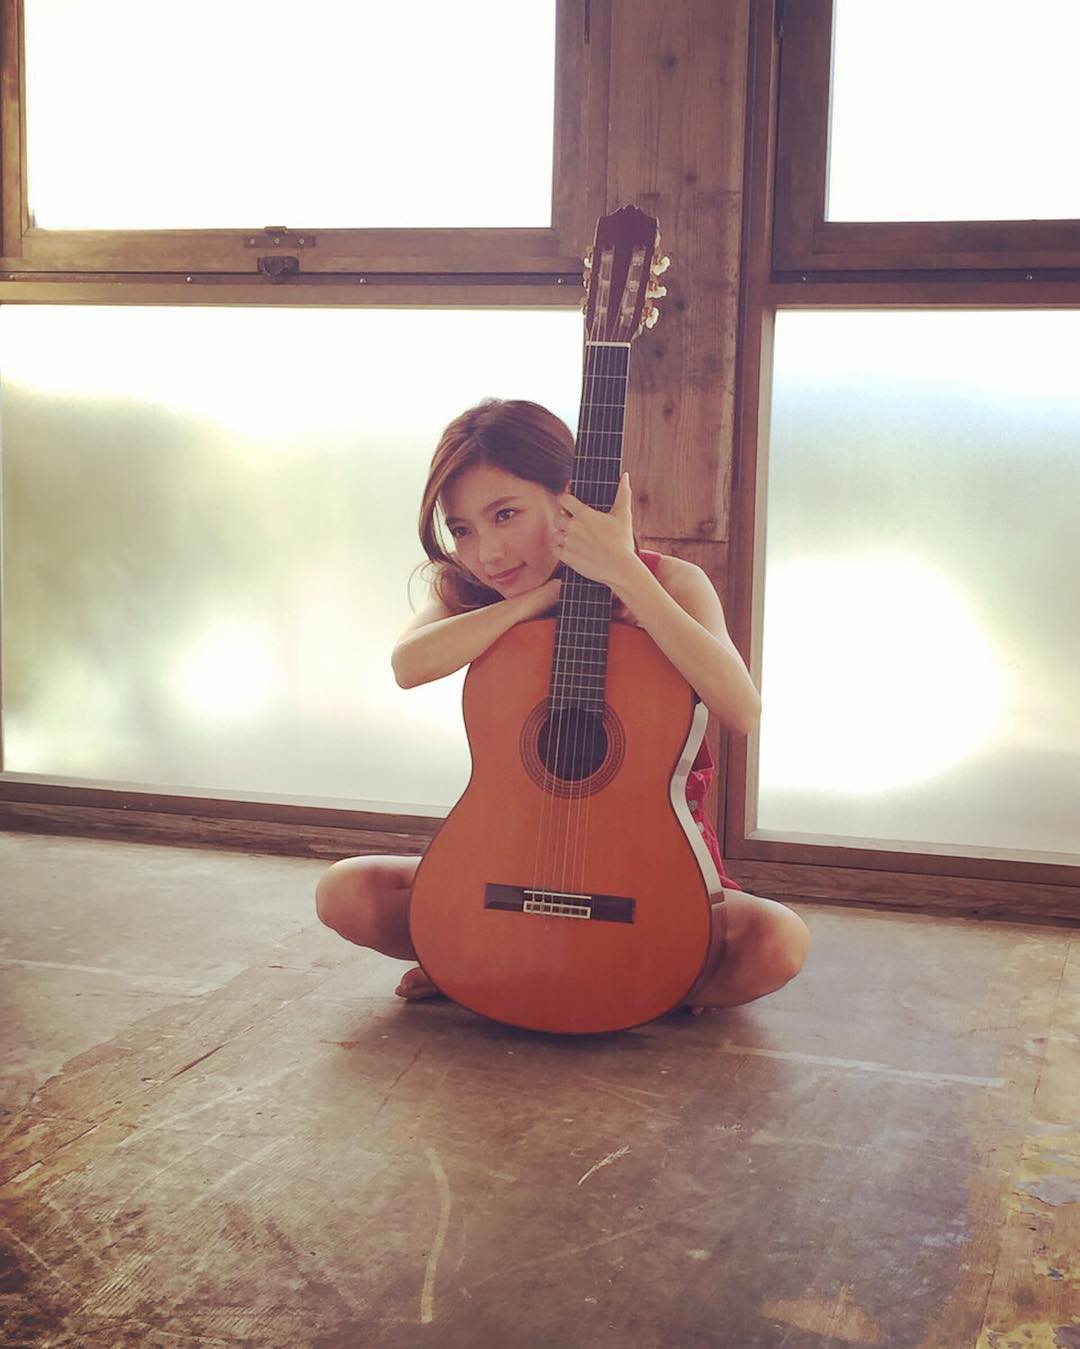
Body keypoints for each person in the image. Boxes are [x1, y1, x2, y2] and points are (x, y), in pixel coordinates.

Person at [315, 399, 810, 1013]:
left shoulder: (670, 582)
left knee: (777, 943)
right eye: (462, 530)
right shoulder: (474, 590)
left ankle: (597, 980)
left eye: (505, 515)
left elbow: (741, 710)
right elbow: (407, 664)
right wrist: (539, 599)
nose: (488, 554)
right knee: (346, 892)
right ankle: (495, 968)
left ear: (570, 497)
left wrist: (624, 575)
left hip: (649, 874)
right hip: (507, 861)